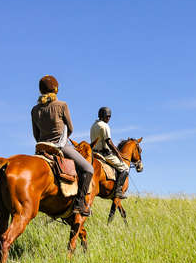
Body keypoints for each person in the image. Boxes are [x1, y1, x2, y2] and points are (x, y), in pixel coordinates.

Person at [31, 75, 94, 216]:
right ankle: (79, 204)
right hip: (60, 146)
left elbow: (36, 134)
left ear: (41, 90)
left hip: (41, 148)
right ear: (56, 89)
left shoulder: (35, 110)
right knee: (88, 169)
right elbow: (70, 128)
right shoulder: (62, 105)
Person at [90, 107, 129, 199]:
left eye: (109, 117)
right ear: (104, 116)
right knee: (125, 168)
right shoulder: (104, 126)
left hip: (93, 152)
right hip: (104, 154)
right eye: (108, 117)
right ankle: (118, 191)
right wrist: (117, 153)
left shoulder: (93, 125)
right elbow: (109, 142)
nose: (109, 119)